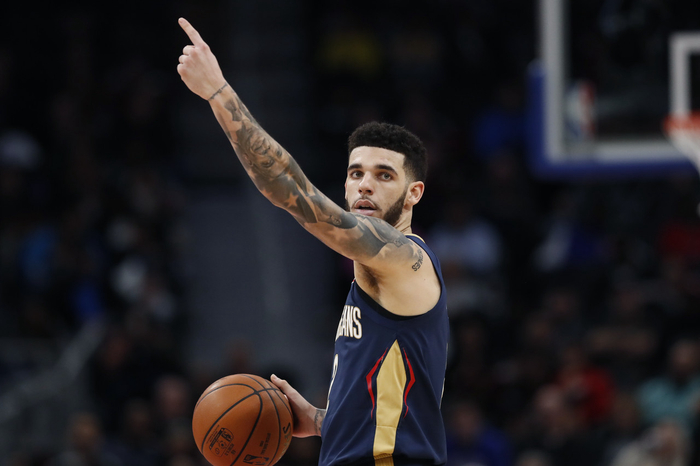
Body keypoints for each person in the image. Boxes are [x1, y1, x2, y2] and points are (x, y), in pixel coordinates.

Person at [176, 17, 449, 466]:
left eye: (384, 175)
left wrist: (218, 92)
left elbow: (287, 184)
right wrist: (325, 420)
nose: (365, 184)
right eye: (356, 173)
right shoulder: (377, 279)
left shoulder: (405, 259)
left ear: (413, 193)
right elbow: (399, 414)